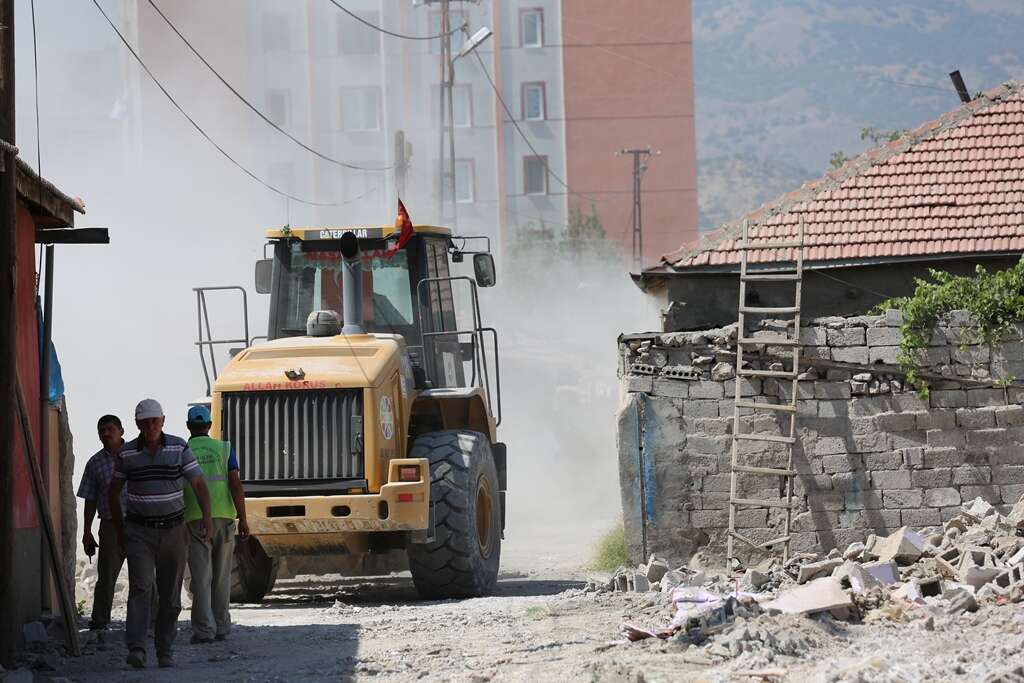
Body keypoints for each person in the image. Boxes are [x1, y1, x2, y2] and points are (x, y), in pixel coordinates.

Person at [109, 399, 214, 669]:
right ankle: (137, 647)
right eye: (144, 423)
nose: (150, 427)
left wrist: (206, 518)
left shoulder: (179, 447)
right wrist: (121, 531)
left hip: (174, 532)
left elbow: (199, 483)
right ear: (137, 425)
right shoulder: (127, 454)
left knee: (170, 595)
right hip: (139, 532)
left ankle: (164, 648)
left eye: (154, 421)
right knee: (141, 588)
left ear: (163, 421)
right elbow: (114, 492)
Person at [183, 404, 249, 644]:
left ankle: (204, 630)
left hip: (194, 518)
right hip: (224, 517)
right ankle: (221, 627)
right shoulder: (224, 448)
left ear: (189, 426)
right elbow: (235, 484)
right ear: (209, 425)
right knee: (221, 576)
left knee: (201, 577)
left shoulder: (183, 449)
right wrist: (244, 517)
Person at [76, 415, 127, 632]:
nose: (105, 433)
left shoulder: (136, 455)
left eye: (110, 429)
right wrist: (87, 532)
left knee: (145, 576)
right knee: (106, 576)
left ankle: (150, 621)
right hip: (110, 526)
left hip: (139, 524)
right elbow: (90, 499)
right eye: (101, 430)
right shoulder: (95, 463)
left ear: (121, 431)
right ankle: (100, 621)